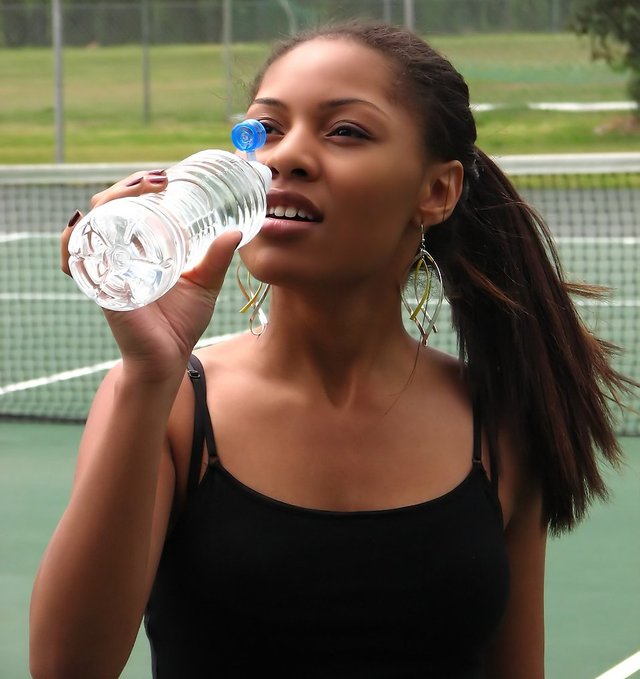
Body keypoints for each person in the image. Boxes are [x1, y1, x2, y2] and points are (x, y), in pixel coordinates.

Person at [30, 20, 634, 679]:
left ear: (437, 191)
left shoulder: (498, 423)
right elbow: (66, 667)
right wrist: (149, 374)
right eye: (263, 129)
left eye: (345, 130)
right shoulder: (166, 406)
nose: (284, 156)